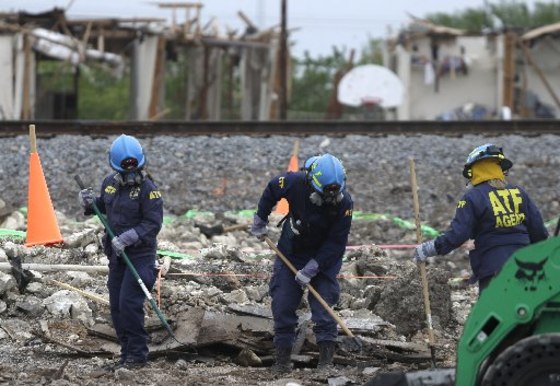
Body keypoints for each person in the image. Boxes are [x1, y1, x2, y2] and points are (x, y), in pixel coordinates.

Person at [250, 153, 353, 374]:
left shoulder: (345, 203)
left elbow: (337, 242)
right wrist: (260, 218)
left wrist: (313, 267)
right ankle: (282, 361)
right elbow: (271, 189)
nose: (328, 198)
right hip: (292, 252)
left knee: (324, 308)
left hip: (324, 260)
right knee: (283, 304)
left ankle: (325, 364)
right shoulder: (294, 182)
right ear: (312, 182)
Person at [414, 143, 548, 293]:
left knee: (494, 314)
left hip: (494, 269)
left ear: (475, 171)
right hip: (526, 266)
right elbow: (539, 232)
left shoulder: (473, 197)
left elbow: (458, 234)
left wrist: (431, 248)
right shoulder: (519, 192)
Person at [78, 134, 163, 369]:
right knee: (116, 306)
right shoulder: (110, 182)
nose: (130, 176)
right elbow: (103, 205)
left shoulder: (149, 190)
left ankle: (137, 355)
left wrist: (129, 237)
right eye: (124, 172)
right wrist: (89, 203)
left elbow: (153, 224)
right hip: (117, 257)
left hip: (140, 257)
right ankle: (126, 354)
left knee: (128, 303)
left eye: (134, 170)